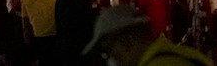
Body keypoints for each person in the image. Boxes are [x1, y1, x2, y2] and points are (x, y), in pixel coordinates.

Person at [82, 5, 210, 65]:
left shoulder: (161, 64)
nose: (111, 59)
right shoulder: (173, 54)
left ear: (128, 40)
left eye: (109, 51)